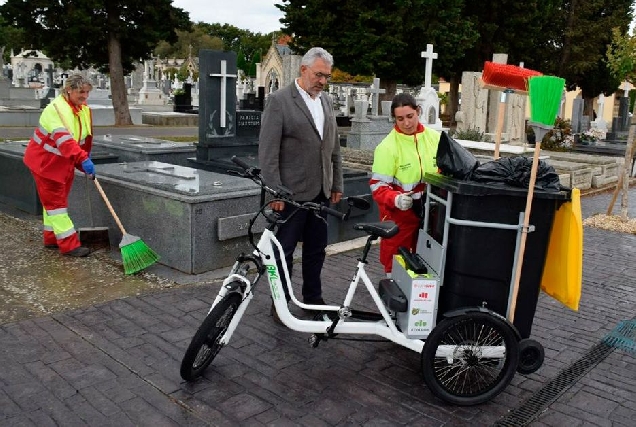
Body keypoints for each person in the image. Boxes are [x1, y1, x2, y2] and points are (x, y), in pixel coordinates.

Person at [258, 47, 344, 314]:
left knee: (316, 249)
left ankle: (312, 298)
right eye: (319, 75)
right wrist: (274, 192)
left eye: (327, 77)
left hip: (320, 192)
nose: (323, 81)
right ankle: (281, 303)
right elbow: (268, 152)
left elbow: (333, 147)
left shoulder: (326, 101)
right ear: (303, 69)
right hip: (289, 195)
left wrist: (337, 183)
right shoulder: (279, 100)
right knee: (283, 252)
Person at [23, 74, 96, 257]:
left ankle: (51, 238)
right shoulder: (55, 110)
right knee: (56, 205)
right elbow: (65, 142)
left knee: (55, 204)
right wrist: (82, 160)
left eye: (87, 92)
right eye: (81, 92)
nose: (85, 96)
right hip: (46, 164)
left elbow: (83, 139)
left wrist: (83, 161)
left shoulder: (83, 109)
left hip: (64, 163)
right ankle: (69, 245)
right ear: (69, 90)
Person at [370, 93, 440, 275]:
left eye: (410, 116)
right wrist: (396, 199)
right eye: (400, 119)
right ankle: (393, 296)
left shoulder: (436, 139)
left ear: (417, 111)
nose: (406, 123)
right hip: (400, 214)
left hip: (430, 212)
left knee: (428, 258)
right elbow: (378, 187)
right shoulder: (387, 147)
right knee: (396, 261)